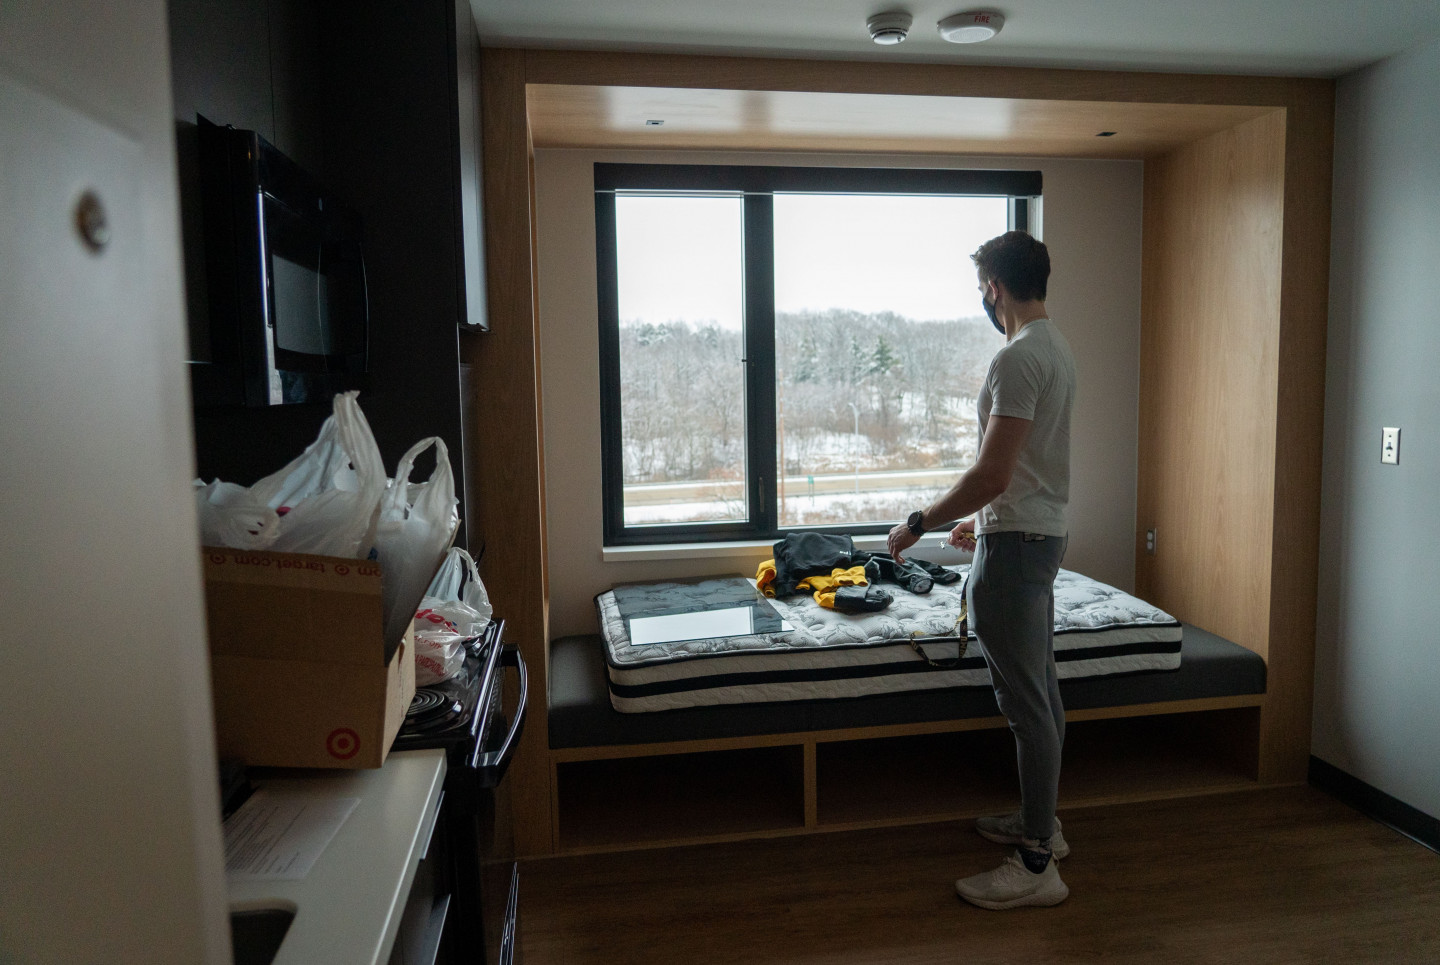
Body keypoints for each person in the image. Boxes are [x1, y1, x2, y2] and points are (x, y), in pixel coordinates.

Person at [887, 230, 1076, 910]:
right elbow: (1025, 472)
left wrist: (920, 522)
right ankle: (1041, 822)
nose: (983, 299)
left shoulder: (1018, 357)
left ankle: (1034, 864)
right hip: (1036, 532)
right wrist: (983, 521)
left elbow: (991, 471)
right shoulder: (1057, 350)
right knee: (1041, 693)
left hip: (1019, 549)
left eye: (982, 287)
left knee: (1026, 706)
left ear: (994, 286)